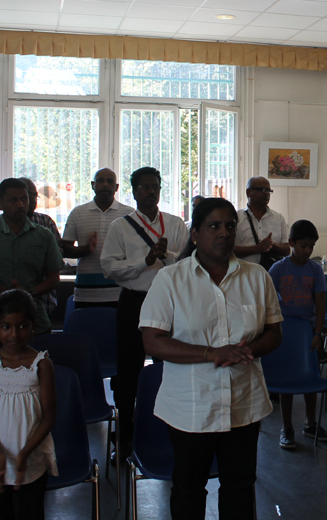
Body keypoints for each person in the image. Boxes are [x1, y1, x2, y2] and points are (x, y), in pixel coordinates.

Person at [140, 197, 283, 520]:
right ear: (195, 234)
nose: (224, 233)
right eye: (214, 226)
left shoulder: (257, 277)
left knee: (239, 487)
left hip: (243, 404)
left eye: (230, 226)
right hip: (190, 407)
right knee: (188, 489)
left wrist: (246, 350)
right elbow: (153, 342)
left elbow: (274, 333)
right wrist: (211, 353)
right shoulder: (171, 280)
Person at [100, 166, 188, 459]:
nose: (151, 192)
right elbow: (109, 268)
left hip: (169, 302)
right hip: (133, 302)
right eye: (145, 187)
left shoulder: (175, 224)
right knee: (128, 371)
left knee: (171, 368)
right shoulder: (121, 227)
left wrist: (167, 255)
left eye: (156, 187)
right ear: (134, 191)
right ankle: (124, 439)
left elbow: (188, 266)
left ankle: (172, 433)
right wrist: (144, 261)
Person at [0, 290, 58, 520]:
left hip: (31, 457)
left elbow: (49, 416)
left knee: (31, 512)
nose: (14, 334)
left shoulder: (42, 365)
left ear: (33, 326)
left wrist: (25, 452)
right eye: (6, 327)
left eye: (22, 326)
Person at [0, 179, 64, 354]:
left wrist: (29, 293)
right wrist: (5, 293)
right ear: (0, 204)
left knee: (37, 368)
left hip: (34, 320)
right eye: (13, 200)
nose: (21, 204)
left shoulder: (44, 235)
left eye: (24, 199)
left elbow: (54, 278)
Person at [267, 219, 327, 449]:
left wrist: (318, 333)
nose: (307, 251)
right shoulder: (278, 269)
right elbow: (267, 301)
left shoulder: (314, 269)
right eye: (303, 246)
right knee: (287, 379)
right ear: (291, 243)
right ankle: (287, 427)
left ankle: (310, 423)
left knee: (309, 376)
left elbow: (321, 305)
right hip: (285, 332)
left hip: (307, 331)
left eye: (311, 246)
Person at [61, 168, 133, 309]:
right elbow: (65, 250)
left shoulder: (129, 214)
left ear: (117, 187)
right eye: (100, 181)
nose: (105, 185)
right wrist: (85, 250)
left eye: (110, 181)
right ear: (93, 185)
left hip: (120, 292)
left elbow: (136, 252)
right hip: (86, 292)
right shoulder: (77, 213)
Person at [233, 176, 289, 268]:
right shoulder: (236, 218)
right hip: (243, 272)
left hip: (271, 272)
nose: (266, 193)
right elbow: (229, 250)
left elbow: (287, 250)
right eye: (261, 189)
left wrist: (272, 245)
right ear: (248, 192)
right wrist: (256, 249)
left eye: (268, 190)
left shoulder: (279, 218)